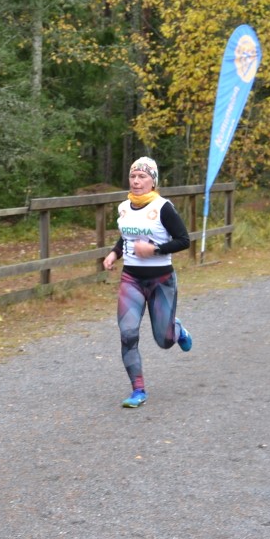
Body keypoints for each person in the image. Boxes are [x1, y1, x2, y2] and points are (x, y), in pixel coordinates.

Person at [101, 156, 193, 409]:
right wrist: (113, 254)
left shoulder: (163, 208)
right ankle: (138, 390)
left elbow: (184, 240)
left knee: (164, 340)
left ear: (153, 181)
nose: (136, 181)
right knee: (128, 334)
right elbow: (126, 237)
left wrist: (154, 250)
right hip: (131, 279)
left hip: (161, 280)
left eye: (142, 177)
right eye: (133, 176)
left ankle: (176, 329)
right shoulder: (123, 208)